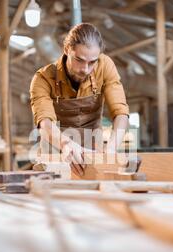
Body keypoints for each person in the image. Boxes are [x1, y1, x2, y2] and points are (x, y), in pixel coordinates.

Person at [30, 23, 129, 176]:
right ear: (66, 49)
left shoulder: (105, 66)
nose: (85, 69)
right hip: (56, 146)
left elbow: (121, 112)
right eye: (79, 60)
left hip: (92, 146)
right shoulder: (42, 78)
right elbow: (45, 123)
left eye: (92, 62)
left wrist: (111, 149)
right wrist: (66, 144)